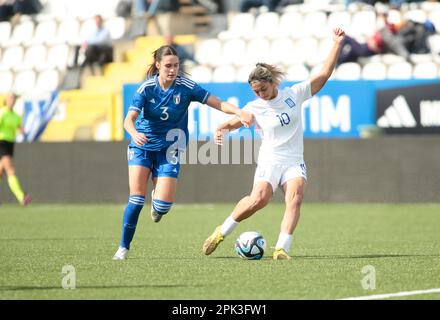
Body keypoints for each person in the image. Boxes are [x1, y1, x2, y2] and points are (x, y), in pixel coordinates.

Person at [202, 28, 346, 261]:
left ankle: (281, 249)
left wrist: (337, 44)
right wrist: (222, 129)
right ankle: (222, 232)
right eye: (256, 91)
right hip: (270, 159)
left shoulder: (294, 94)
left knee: (295, 197)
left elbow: (324, 74)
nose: (260, 94)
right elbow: (234, 122)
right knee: (259, 199)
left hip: (293, 160)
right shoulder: (254, 107)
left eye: (263, 89)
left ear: (272, 82)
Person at [112, 45, 253, 260]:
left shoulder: (186, 87)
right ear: (158, 65)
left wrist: (238, 111)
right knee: (136, 199)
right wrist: (134, 134)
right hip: (143, 145)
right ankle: (123, 248)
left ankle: (157, 202)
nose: (172, 70)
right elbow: (128, 120)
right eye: (168, 65)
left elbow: (217, 102)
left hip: (170, 148)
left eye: (176, 65)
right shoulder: (146, 89)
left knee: (162, 206)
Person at [0, 93, 32, 206]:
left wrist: (22, 130)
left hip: (9, 144)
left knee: (1, 172)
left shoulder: (16, 116)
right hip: (1, 142)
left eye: (14, 99)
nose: (13, 101)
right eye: (11, 98)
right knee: (10, 169)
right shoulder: (2, 113)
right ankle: (21, 197)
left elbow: (18, 128)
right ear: (6, 100)